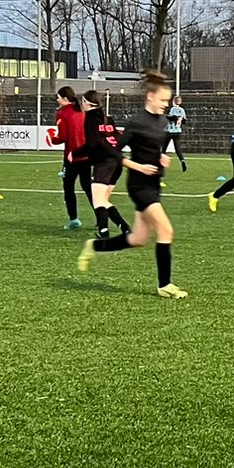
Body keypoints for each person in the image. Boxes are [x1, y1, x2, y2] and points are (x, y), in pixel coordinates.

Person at [77, 70, 188, 299]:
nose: (166, 105)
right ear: (150, 97)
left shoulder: (161, 122)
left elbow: (153, 150)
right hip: (140, 186)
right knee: (166, 230)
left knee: (137, 239)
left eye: (167, 102)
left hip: (154, 184)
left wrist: (161, 158)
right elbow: (114, 151)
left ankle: (93, 246)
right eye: (163, 101)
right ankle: (165, 284)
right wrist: (136, 166)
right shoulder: (135, 122)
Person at [81, 90, 129, 237]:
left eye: (82, 100)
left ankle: (104, 232)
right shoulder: (107, 118)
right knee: (103, 200)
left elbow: (92, 144)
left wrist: (75, 153)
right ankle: (125, 228)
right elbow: (116, 139)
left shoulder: (90, 118)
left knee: (98, 201)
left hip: (104, 164)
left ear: (88, 103)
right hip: (116, 163)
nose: (81, 103)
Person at [56, 86, 92, 229]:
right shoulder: (82, 111)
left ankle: (74, 219)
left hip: (71, 156)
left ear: (65, 99)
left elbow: (63, 136)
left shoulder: (62, 113)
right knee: (88, 187)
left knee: (68, 187)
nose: (57, 100)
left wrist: (54, 139)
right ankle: (101, 216)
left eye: (58, 97)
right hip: (86, 155)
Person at [166, 93, 188, 173]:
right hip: (178, 131)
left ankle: (159, 164)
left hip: (169, 131)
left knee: (164, 148)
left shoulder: (172, 109)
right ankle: (182, 160)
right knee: (178, 148)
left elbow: (169, 117)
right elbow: (184, 120)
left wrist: (174, 118)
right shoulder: (182, 110)